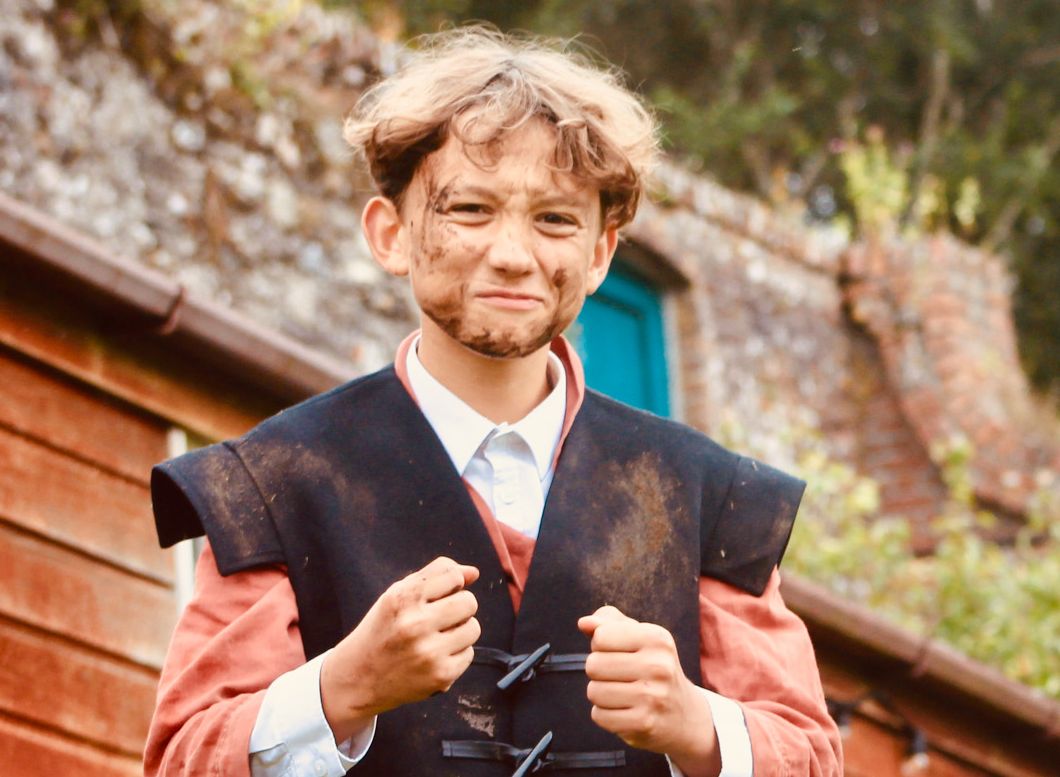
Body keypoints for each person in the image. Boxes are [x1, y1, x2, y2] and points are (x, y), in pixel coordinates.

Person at [145, 26, 842, 777]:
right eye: (471, 209)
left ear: (600, 253)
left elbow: (812, 759)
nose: (513, 254)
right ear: (392, 234)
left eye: (554, 219)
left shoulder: (712, 501)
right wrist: (339, 689)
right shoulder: (271, 487)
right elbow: (184, 754)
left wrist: (697, 724)